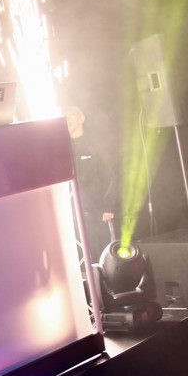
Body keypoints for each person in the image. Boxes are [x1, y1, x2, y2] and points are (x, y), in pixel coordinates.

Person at [64, 106, 118, 263]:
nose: (68, 120)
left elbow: (110, 175)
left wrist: (108, 206)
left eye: (72, 115)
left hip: (98, 212)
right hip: (75, 213)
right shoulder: (63, 147)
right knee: (83, 258)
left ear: (82, 119)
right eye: (65, 117)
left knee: (106, 256)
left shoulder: (95, 145)